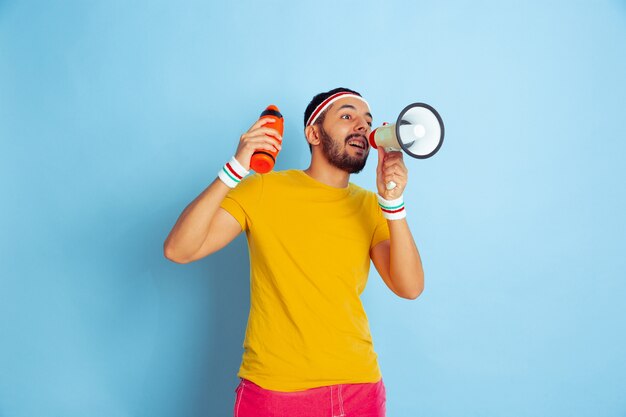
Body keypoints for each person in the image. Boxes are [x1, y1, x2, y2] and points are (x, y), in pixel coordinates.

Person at [163, 87, 424, 417]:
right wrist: (236, 168)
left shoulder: (371, 207)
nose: (361, 126)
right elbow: (178, 250)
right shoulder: (262, 189)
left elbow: (410, 286)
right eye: (347, 116)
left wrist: (393, 203)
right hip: (273, 392)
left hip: (358, 389)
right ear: (313, 133)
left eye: (367, 122)